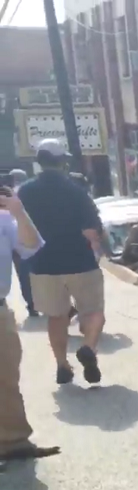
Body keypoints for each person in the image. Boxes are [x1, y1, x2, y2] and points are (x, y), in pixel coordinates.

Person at [18, 139, 106, 385]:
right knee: (94, 311)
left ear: (39, 161)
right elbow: (92, 231)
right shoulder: (76, 191)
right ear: (63, 162)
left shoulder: (25, 192)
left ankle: (61, 365)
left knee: (57, 317)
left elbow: (19, 228)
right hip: (80, 262)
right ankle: (88, 347)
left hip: (43, 264)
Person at [0, 179, 60, 461]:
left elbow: (32, 246)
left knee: (6, 378)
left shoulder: (4, 219)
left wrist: (19, 212)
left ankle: (13, 444)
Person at [7, 169, 36, 316]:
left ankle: (31, 304)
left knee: (23, 273)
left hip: (17, 240)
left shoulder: (10, 195)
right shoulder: (31, 190)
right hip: (34, 237)